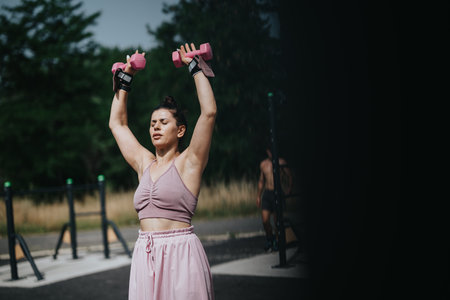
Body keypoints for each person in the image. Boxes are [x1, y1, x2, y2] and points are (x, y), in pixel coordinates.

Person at [109, 43, 216, 300]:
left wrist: (193, 65)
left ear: (180, 131)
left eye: (163, 122)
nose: (155, 127)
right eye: (152, 123)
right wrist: (125, 80)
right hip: (145, 257)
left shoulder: (189, 162)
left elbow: (209, 113)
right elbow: (117, 124)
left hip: (182, 256)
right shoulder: (144, 163)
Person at [256, 148, 292, 252]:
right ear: (267, 151)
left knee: (277, 221)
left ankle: (277, 241)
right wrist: (258, 196)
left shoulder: (281, 162)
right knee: (265, 220)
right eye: (269, 151)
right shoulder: (263, 164)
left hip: (277, 192)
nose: (270, 152)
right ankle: (269, 239)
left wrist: (289, 188)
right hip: (267, 193)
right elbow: (261, 181)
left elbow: (289, 175)